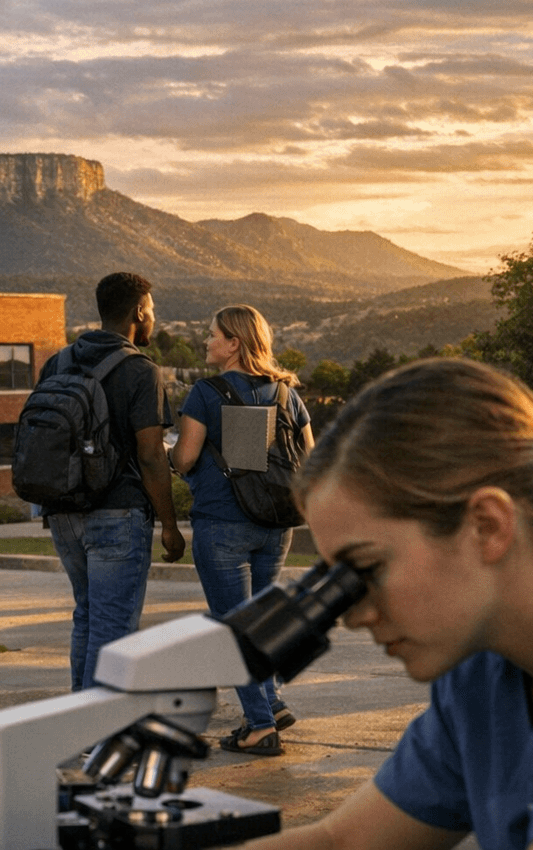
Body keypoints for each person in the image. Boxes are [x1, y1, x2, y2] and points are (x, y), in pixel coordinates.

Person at [248, 357, 533, 850]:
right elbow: (341, 842)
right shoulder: (487, 671)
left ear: (487, 524)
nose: (353, 616)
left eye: (367, 570)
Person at [169, 305, 314, 756]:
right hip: (276, 524)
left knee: (235, 629)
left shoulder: (206, 393)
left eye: (213, 335)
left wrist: (167, 454)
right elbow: (310, 459)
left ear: (234, 343)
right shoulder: (286, 393)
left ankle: (259, 726)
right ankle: (271, 701)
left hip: (223, 523)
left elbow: (187, 459)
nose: (206, 342)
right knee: (259, 622)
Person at [41, 272, 185, 692]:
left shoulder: (59, 361)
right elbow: (152, 454)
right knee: (114, 626)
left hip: (64, 511)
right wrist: (170, 526)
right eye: (152, 309)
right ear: (139, 311)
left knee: (86, 616)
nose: (154, 317)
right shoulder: (141, 370)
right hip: (117, 512)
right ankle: (100, 733)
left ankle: (81, 723)